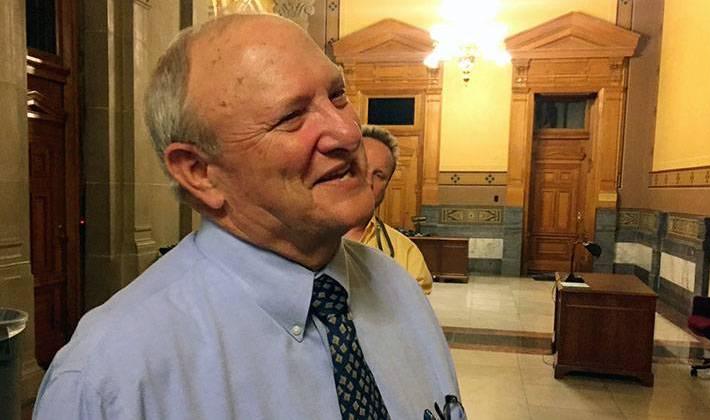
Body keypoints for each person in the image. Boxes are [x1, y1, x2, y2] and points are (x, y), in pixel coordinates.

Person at [32, 14, 460, 419]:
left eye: (337, 95)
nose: (348, 133)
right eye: (292, 116)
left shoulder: (397, 288)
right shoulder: (113, 376)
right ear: (201, 173)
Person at [345, 125, 433, 295]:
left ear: (387, 186)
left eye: (379, 175)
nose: (368, 182)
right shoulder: (297, 240)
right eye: (359, 167)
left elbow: (413, 318)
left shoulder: (407, 256)